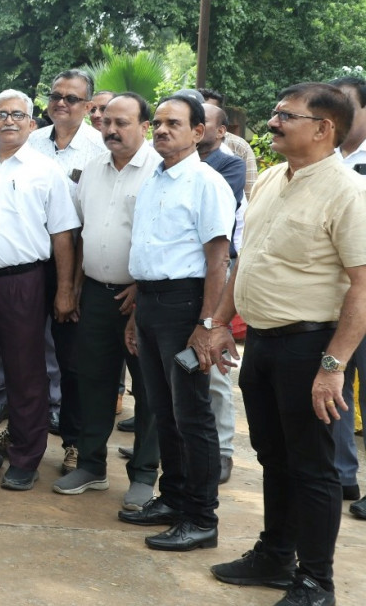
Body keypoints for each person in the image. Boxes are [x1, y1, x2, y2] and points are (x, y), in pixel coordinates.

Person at [206, 83, 366, 605]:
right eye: (275, 112)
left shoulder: (349, 192)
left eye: (286, 116)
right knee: (274, 457)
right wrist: (219, 321)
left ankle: (317, 582)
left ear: (323, 129)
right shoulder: (274, 177)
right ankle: (276, 556)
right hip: (263, 343)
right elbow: (247, 258)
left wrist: (332, 367)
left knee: (314, 469)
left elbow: (362, 287)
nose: (273, 122)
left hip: (310, 346)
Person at [116, 94, 234, 554]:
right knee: (163, 409)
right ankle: (173, 498)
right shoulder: (155, 179)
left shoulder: (206, 183)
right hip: (151, 305)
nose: (163, 130)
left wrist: (208, 323)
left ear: (198, 132)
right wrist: (137, 316)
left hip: (186, 307)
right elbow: (150, 251)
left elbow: (218, 259)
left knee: (192, 414)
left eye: (174, 123)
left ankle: (201, 517)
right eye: (159, 123)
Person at [0, 89, 78, 492]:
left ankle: (26, 457)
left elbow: (63, 234)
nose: (8, 121)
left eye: (17, 115)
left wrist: (64, 290)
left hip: (23, 281)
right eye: (1, 114)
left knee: (25, 372)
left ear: (32, 123)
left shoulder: (45, 170)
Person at [58, 93, 161, 510]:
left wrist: (141, 286)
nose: (111, 130)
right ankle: (91, 465)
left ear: (145, 127)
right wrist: (75, 286)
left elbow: (163, 239)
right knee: (93, 381)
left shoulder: (160, 170)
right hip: (97, 294)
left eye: (122, 123)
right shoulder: (94, 169)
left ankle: (144, 475)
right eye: (106, 122)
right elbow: (83, 233)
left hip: (142, 297)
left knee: (148, 389)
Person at [28, 70, 107, 463]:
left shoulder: (99, 149)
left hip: (77, 267)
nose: (61, 103)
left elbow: (90, 225)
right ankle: (27, 434)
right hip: (30, 264)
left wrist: (70, 287)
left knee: (73, 360)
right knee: (26, 355)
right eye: (56, 95)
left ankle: (74, 442)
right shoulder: (31, 142)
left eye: (72, 98)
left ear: (88, 106)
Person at [198, 102, 244, 484]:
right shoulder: (162, 166)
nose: (196, 126)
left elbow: (210, 223)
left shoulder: (229, 166)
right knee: (178, 367)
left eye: (203, 121)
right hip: (176, 280)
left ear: (220, 130)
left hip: (216, 270)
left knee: (214, 364)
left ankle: (223, 449)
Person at [329, 75, 366, 509]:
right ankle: (341, 475)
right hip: (333, 294)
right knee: (335, 383)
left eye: (346, 106)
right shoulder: (325, 158)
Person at [199, 89, 259, 199]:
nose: (197, 125)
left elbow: (250, 194)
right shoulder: (177, 149)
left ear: (220, 130)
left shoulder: (238, 148)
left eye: (204, 119)